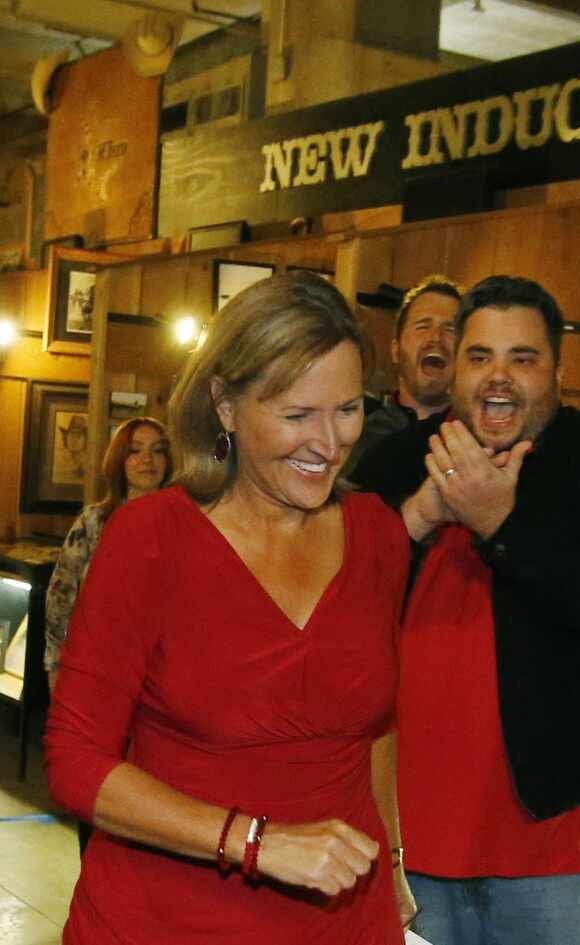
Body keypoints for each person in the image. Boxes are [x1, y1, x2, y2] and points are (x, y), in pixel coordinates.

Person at [45, 271, 415, 945]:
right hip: (164, 919)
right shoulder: (151, 537)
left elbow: (375, 727)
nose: (329, 444)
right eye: (297, 414)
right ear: (224, 404)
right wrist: (253, 840)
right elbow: (75, 761)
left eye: (348, 409)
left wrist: (391, 864)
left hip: (344, 922)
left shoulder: (378, 533)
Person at [351, 275, 580, 945]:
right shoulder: (394, 462)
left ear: (556, 370)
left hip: (558, 846)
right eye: (481, 355)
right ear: (454, 367)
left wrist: (500, 523)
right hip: (405, 844)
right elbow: (331, 606)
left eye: (524, 357)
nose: (500, 376)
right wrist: (414, 519)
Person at [44, 416, 171, 691]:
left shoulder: (185, 523)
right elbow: (60, 599)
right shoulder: (94, 521)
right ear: (119, 460)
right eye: (135, 450)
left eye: (157, 450)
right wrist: (55, 666)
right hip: (99, 667)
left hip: (162, 675)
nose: (147, 459)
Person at [343, 274, 460, 475]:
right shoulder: (354, 438)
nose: (436, 338)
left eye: (450, 329)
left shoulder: (477, 444)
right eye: (423, 327)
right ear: (396, 350)